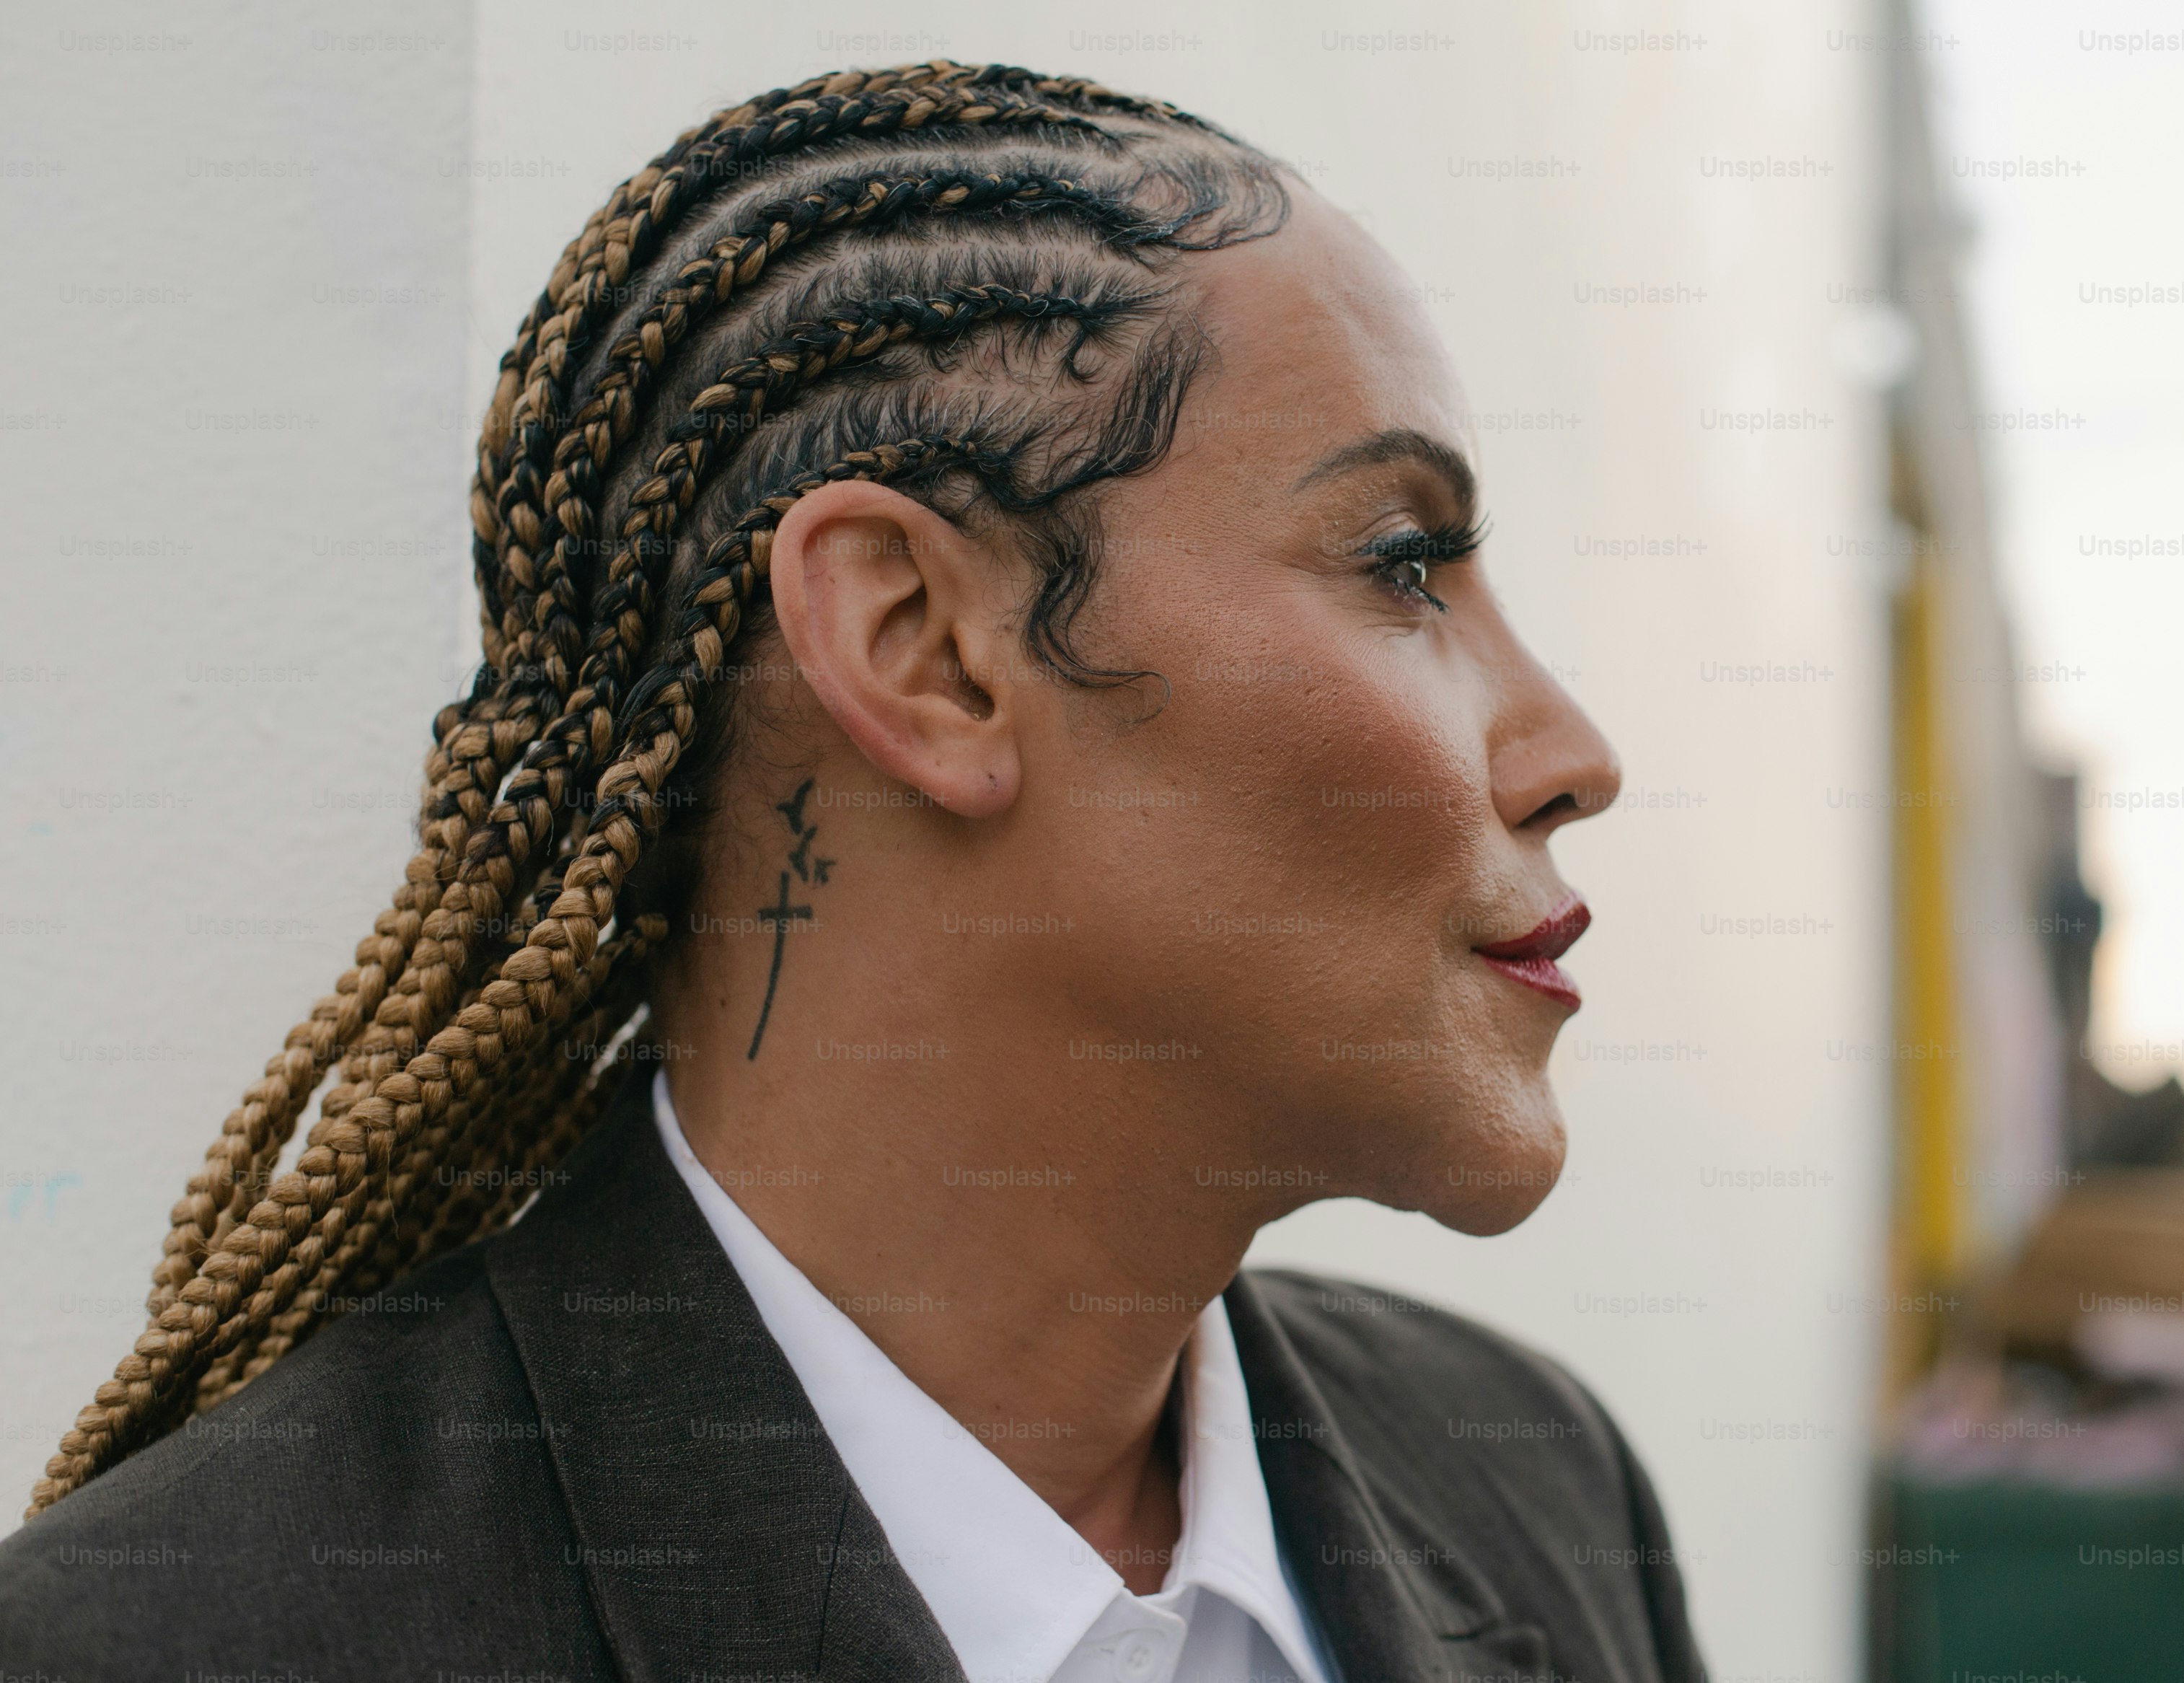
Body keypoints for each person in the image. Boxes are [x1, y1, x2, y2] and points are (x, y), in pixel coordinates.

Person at [0, 61, 1701, 1682]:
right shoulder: (200, 1637)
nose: (1571, 751)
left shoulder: (1538, 1492)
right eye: (1405, 563)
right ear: (919, 648)